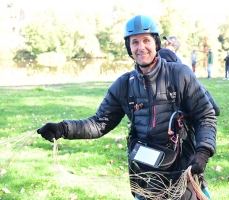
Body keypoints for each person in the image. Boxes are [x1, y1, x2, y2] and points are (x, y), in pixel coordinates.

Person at [37, 15, 217, 200]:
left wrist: (203, 151)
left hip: (183, 173)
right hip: (146, 178)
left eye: (146, 40)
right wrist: (63, 129)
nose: (141, 47)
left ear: (156, 43)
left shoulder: (180, 75)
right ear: (129, 47)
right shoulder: (124, 85)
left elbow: (205, 115)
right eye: (135, 42)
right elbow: (99, 123)